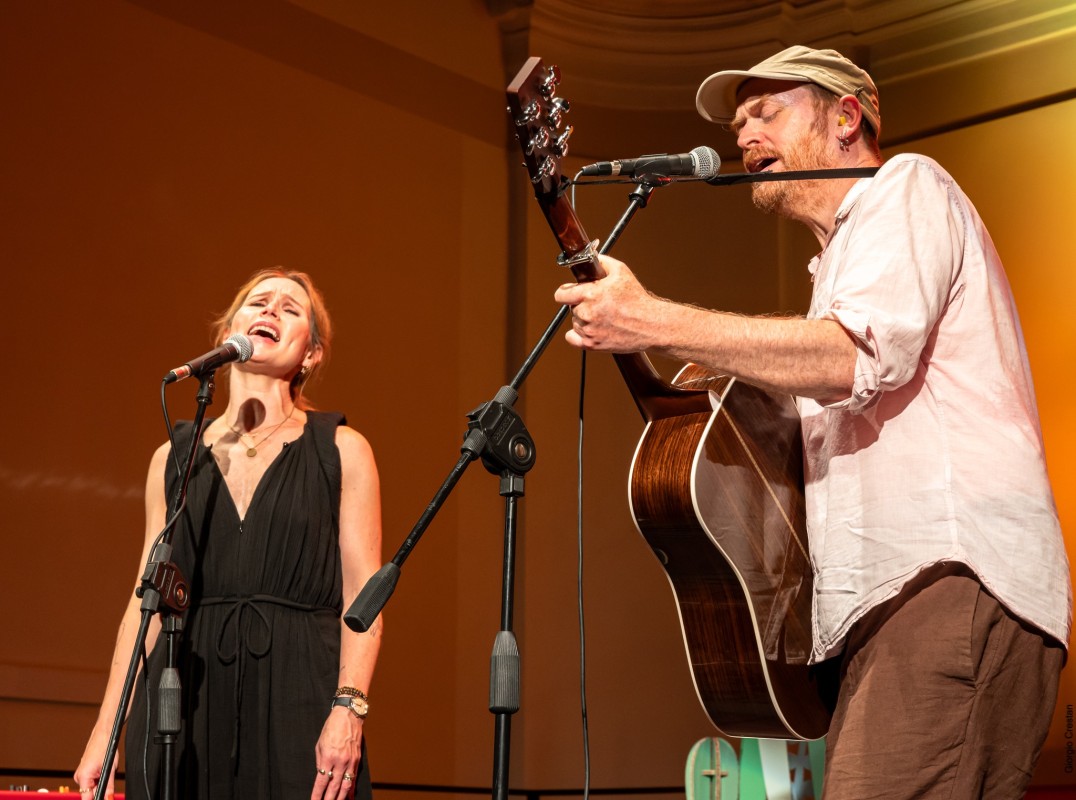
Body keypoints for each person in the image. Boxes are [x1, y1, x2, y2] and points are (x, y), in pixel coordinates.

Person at [555, 46, 1071, 799]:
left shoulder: (906, 188)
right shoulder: (835, 270)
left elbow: (851, 358)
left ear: (846, 117)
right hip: (896, 610)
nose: (744, 137)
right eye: (738, 124)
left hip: (946, 585)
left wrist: (653, 320)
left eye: (765, 112)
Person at [75, 269, 382, 800]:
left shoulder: (342, 450)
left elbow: (364, 597)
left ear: (311, 353)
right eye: (258, 302)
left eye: (290, 309)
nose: (270, 311)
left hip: (301, 694)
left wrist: (348, 708)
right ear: (228, 332)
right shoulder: (173, 458)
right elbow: (142, 605)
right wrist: (107, 731)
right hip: (188, 698)